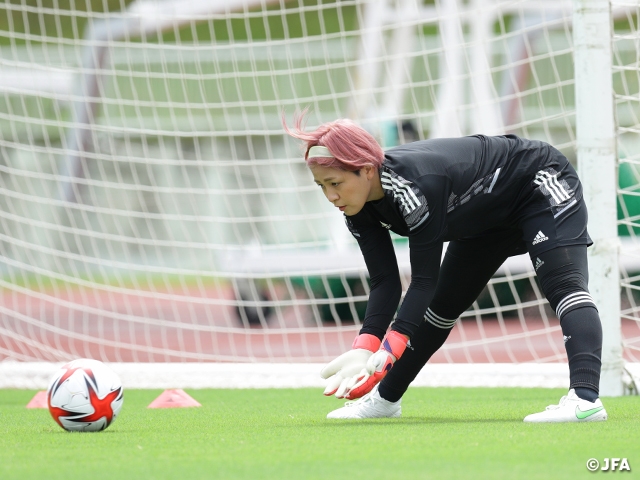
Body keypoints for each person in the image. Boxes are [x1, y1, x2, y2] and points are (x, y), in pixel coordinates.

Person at [283, 112, 607, 423]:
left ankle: (585, 400)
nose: (330, 195)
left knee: (564, 285)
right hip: (485, 217)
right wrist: (365, 344)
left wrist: (391, 345)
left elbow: (423, 279)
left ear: (366, 170)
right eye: (322, 185)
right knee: (440, 309)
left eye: (335, 183)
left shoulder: (415, 188)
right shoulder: (355, 206)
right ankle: (384, 401)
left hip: (537, 181)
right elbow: (385, 281)